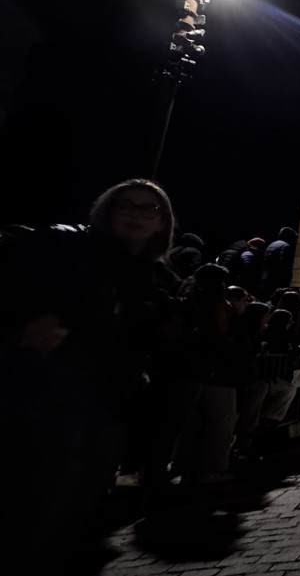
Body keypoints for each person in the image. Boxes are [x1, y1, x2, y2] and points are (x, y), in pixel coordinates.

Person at [1, 178, 182, 572]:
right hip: (43, 398)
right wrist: (26, 319)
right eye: (126, 205)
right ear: (106, 211)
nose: (135, 214)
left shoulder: (149, 277)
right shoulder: (68, 245)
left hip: (101, 406)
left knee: (70, 513)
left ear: (162, 222)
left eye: (148, 208)